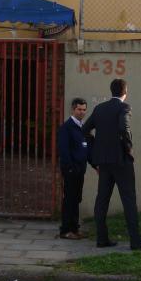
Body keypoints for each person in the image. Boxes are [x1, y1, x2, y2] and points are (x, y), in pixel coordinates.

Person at [82, 78, 141, 251]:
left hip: (104, 162)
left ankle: (102, 239)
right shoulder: (124, 107)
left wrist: (96, 150)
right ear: (125, 92)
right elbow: (124, 128)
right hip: (121, 161)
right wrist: (128, 147)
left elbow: (84, 130)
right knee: (129, 200)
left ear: (111, 91)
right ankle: (136, 241)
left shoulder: (99, 109)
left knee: (102, 200)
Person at [57, 97, 90, 240]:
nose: (82, 112)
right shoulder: (67, 127)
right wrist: (70, 168)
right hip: (71, 170)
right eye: (79, 109)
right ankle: (65, 230)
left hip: (80, 169)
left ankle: (74, 229)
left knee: (76, 199)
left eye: (84, 110)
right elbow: (64, 150)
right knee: (69, 199)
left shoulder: (82, 127)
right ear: (73, 109)